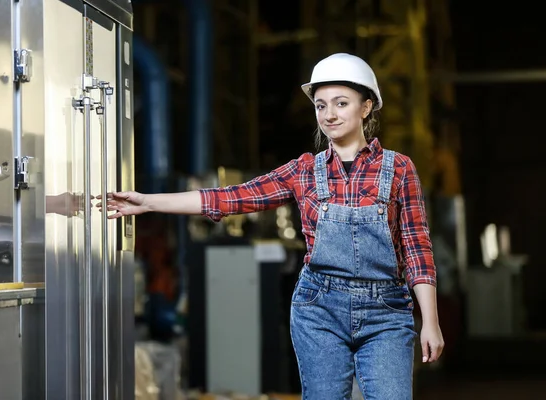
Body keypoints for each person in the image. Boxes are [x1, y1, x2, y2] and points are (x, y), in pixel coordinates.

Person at [97, 52, 444, 399]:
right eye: (321, 105)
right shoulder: (304, 170)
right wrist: (149, 201)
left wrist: (430, 320)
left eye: (341, 103)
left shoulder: (399, 169)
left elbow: (416, 248)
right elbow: (231, 198)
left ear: (366, 107)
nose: (329, 114)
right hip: (320, 308)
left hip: (386, 311)